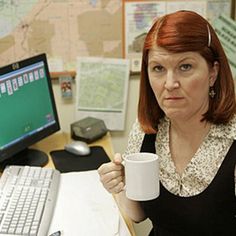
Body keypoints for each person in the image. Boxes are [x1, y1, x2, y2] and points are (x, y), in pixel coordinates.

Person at [98, 10, 236, 235]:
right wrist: (121, 185)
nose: (170, 83)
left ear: (213, 72)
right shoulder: (147, 128)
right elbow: (138, 214)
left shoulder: (232, 139)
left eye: (185, 67)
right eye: (158, 69)